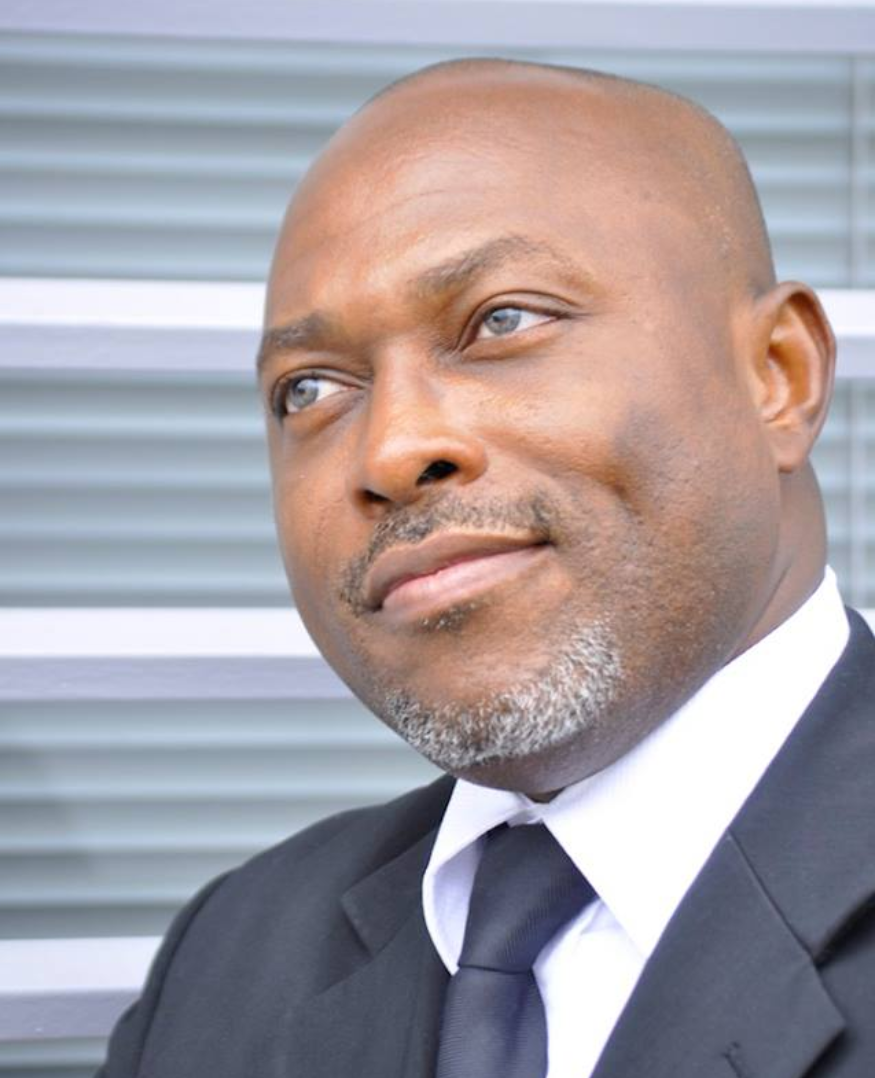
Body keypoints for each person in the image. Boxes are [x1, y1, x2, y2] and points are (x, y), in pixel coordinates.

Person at [98, 59, 875, 1078]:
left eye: (501, 320)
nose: (390, 449)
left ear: (776, 376)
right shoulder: (231, 958)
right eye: (309, 389)